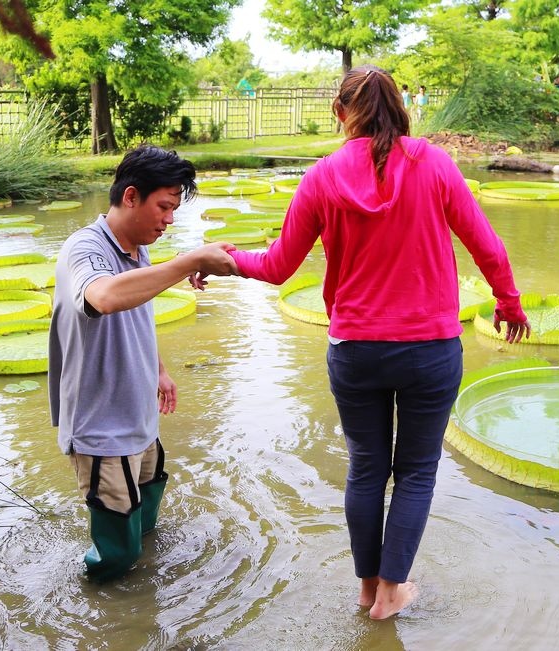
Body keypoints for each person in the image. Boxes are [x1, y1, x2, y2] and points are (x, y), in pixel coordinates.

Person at [191, 65, 530, 619]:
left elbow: (277, 266)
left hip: (356, 351)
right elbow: (486, 245)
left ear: (339, 112)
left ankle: (368, 589)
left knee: (367, 469)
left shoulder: (321, 177)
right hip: (430, 351)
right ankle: (394, 594)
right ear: (400, 107)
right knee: (416, 471)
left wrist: (222, 259)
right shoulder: (437, 165)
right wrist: (508, 303)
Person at [48, 145, 238, 582]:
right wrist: (189, 260)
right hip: (101, 427)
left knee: (146, 523)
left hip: (139, 415)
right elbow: (106, 297)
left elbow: (137, 310)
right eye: (164, 206)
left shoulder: (138, 248)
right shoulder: (85, 248)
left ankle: (143, 591)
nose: (169, 219)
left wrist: (160, 370)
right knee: (117, 556)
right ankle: (106, 618)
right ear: (131, 196)